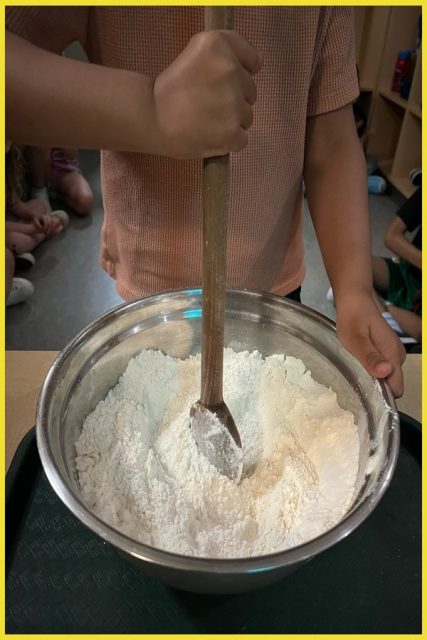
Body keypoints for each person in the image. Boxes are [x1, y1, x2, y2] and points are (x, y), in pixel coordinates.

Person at [5, 7, 405, 396]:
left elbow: (331, 139)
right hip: (152, 289)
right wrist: (151, 110)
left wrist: (353, 288)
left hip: (271, 286)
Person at [372, 186, 422, 346]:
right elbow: (392, 236)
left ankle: (379, 306)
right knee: (351, 263)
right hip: (409, 270)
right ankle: (385, 315)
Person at [26, 146, 94, 216]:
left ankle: (55, 193)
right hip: (38, 171)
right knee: (41, 145)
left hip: (64, 168)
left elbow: (72, 155)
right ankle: (40, 192)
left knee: (85, 202)